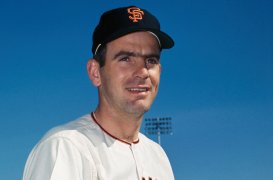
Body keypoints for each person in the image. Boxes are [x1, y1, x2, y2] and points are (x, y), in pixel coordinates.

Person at [23, 5, 175, 180]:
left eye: (151, 60)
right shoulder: (66, 147)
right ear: (95, 72)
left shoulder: (158, 157)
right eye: (125, 59)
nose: (142, 72)